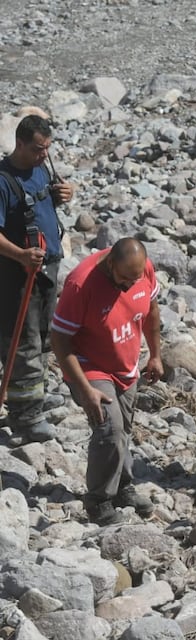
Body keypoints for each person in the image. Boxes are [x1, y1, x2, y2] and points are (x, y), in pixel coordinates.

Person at [50, 238, 161, 525]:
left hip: (124, 364)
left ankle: (123, 487)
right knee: (109, 430)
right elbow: (60, 340)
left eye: (134, 279)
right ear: (110, 264)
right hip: (89, 365)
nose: (128, 285)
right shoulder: (80, 285)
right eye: (124, 279)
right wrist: (85, 388)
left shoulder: (141, 270)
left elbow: (151, 310)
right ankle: (98, 501)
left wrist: (156, 355)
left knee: (123, 429)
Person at [0, 114, 75, 442]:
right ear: (19, 143)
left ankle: (36, 395)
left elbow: (43, 204)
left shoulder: (41, 167)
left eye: (47, 148)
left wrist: (61, 195)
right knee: (24, 341)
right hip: (19, 274)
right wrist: (20, 255)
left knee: (44, 336)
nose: (44, 154)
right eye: (37, 149)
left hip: (48, 266)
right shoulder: (3, 180)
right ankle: (26, 417)